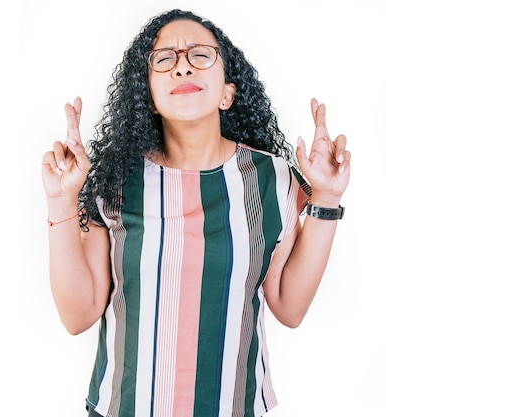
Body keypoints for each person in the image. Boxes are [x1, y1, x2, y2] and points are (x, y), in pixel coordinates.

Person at [41, 8, 350, 417]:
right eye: (164, 59)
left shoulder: (272, 179)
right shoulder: (116, 182)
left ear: (227, 91)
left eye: (200, 55)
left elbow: (288, 307)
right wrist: (61, 201)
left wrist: (326, 199)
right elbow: (77, 316)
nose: (182, 66)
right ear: (148, 97)